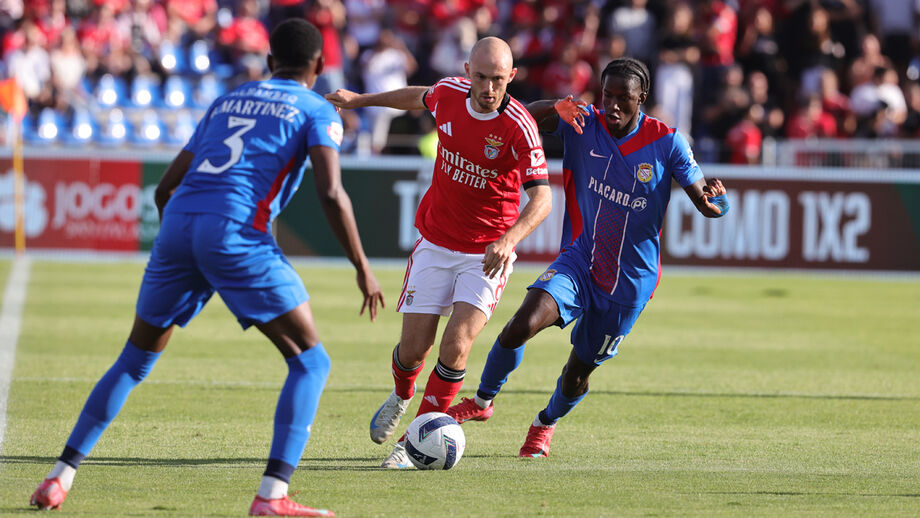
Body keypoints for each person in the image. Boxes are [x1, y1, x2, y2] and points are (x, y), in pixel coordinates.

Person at [30, 19, 384, 517]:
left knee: (134, 359)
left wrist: (190, 241)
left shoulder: (228, 100)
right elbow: (330, 192)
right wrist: (362, 267)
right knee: (311, 361)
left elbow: (163, 187)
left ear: (267, 63)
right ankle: (273, 497)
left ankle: (58, 477)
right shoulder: (316, 108)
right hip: (235, 232)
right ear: (320, 66)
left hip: (179, 223)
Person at [445, 57, 729, 457]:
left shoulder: (667, 142)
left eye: (622, 99)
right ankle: (482, 401)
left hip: (628, 284)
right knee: (520, 325)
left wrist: (717, 203)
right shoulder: (582, 122)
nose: (611, 106)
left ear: (641, 99)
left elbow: (704, 197)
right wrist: (552, 106)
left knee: (578, 370)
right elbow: (519, 118)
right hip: (580, 259)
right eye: (606, 95)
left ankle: (545, 422)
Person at [325, 36, 552, 469]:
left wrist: (509, 240)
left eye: (498, 80)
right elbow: (417, 97)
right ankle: (402, 394)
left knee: (457, 345)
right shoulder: (448, 93)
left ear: (512, 78)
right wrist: (360, 100)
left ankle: (414, 444)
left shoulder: (520, 125)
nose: (488, 89)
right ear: (467, 71)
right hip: (435, 241)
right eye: (481, 78)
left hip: (485, 253)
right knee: (413, 350)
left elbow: (542, 199)